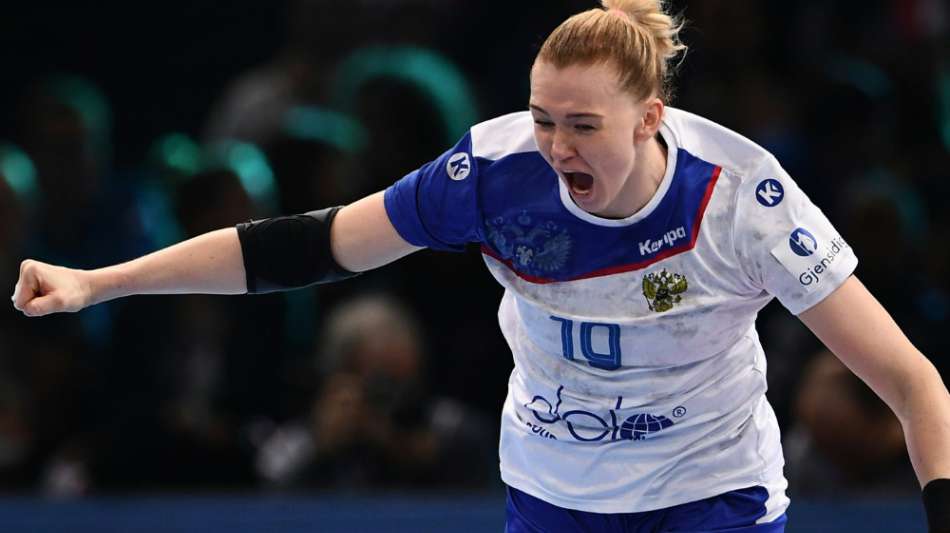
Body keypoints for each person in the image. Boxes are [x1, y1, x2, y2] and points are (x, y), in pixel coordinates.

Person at [11, 1, 950, 531]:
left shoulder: (743, 198)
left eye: (583, 125)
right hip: (552, 490)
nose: (556, 146)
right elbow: (302, 246)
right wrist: (101, 281)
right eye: (544, 118)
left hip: (711, 487)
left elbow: (913, 382)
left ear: (651, 117)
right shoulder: (494, 172)